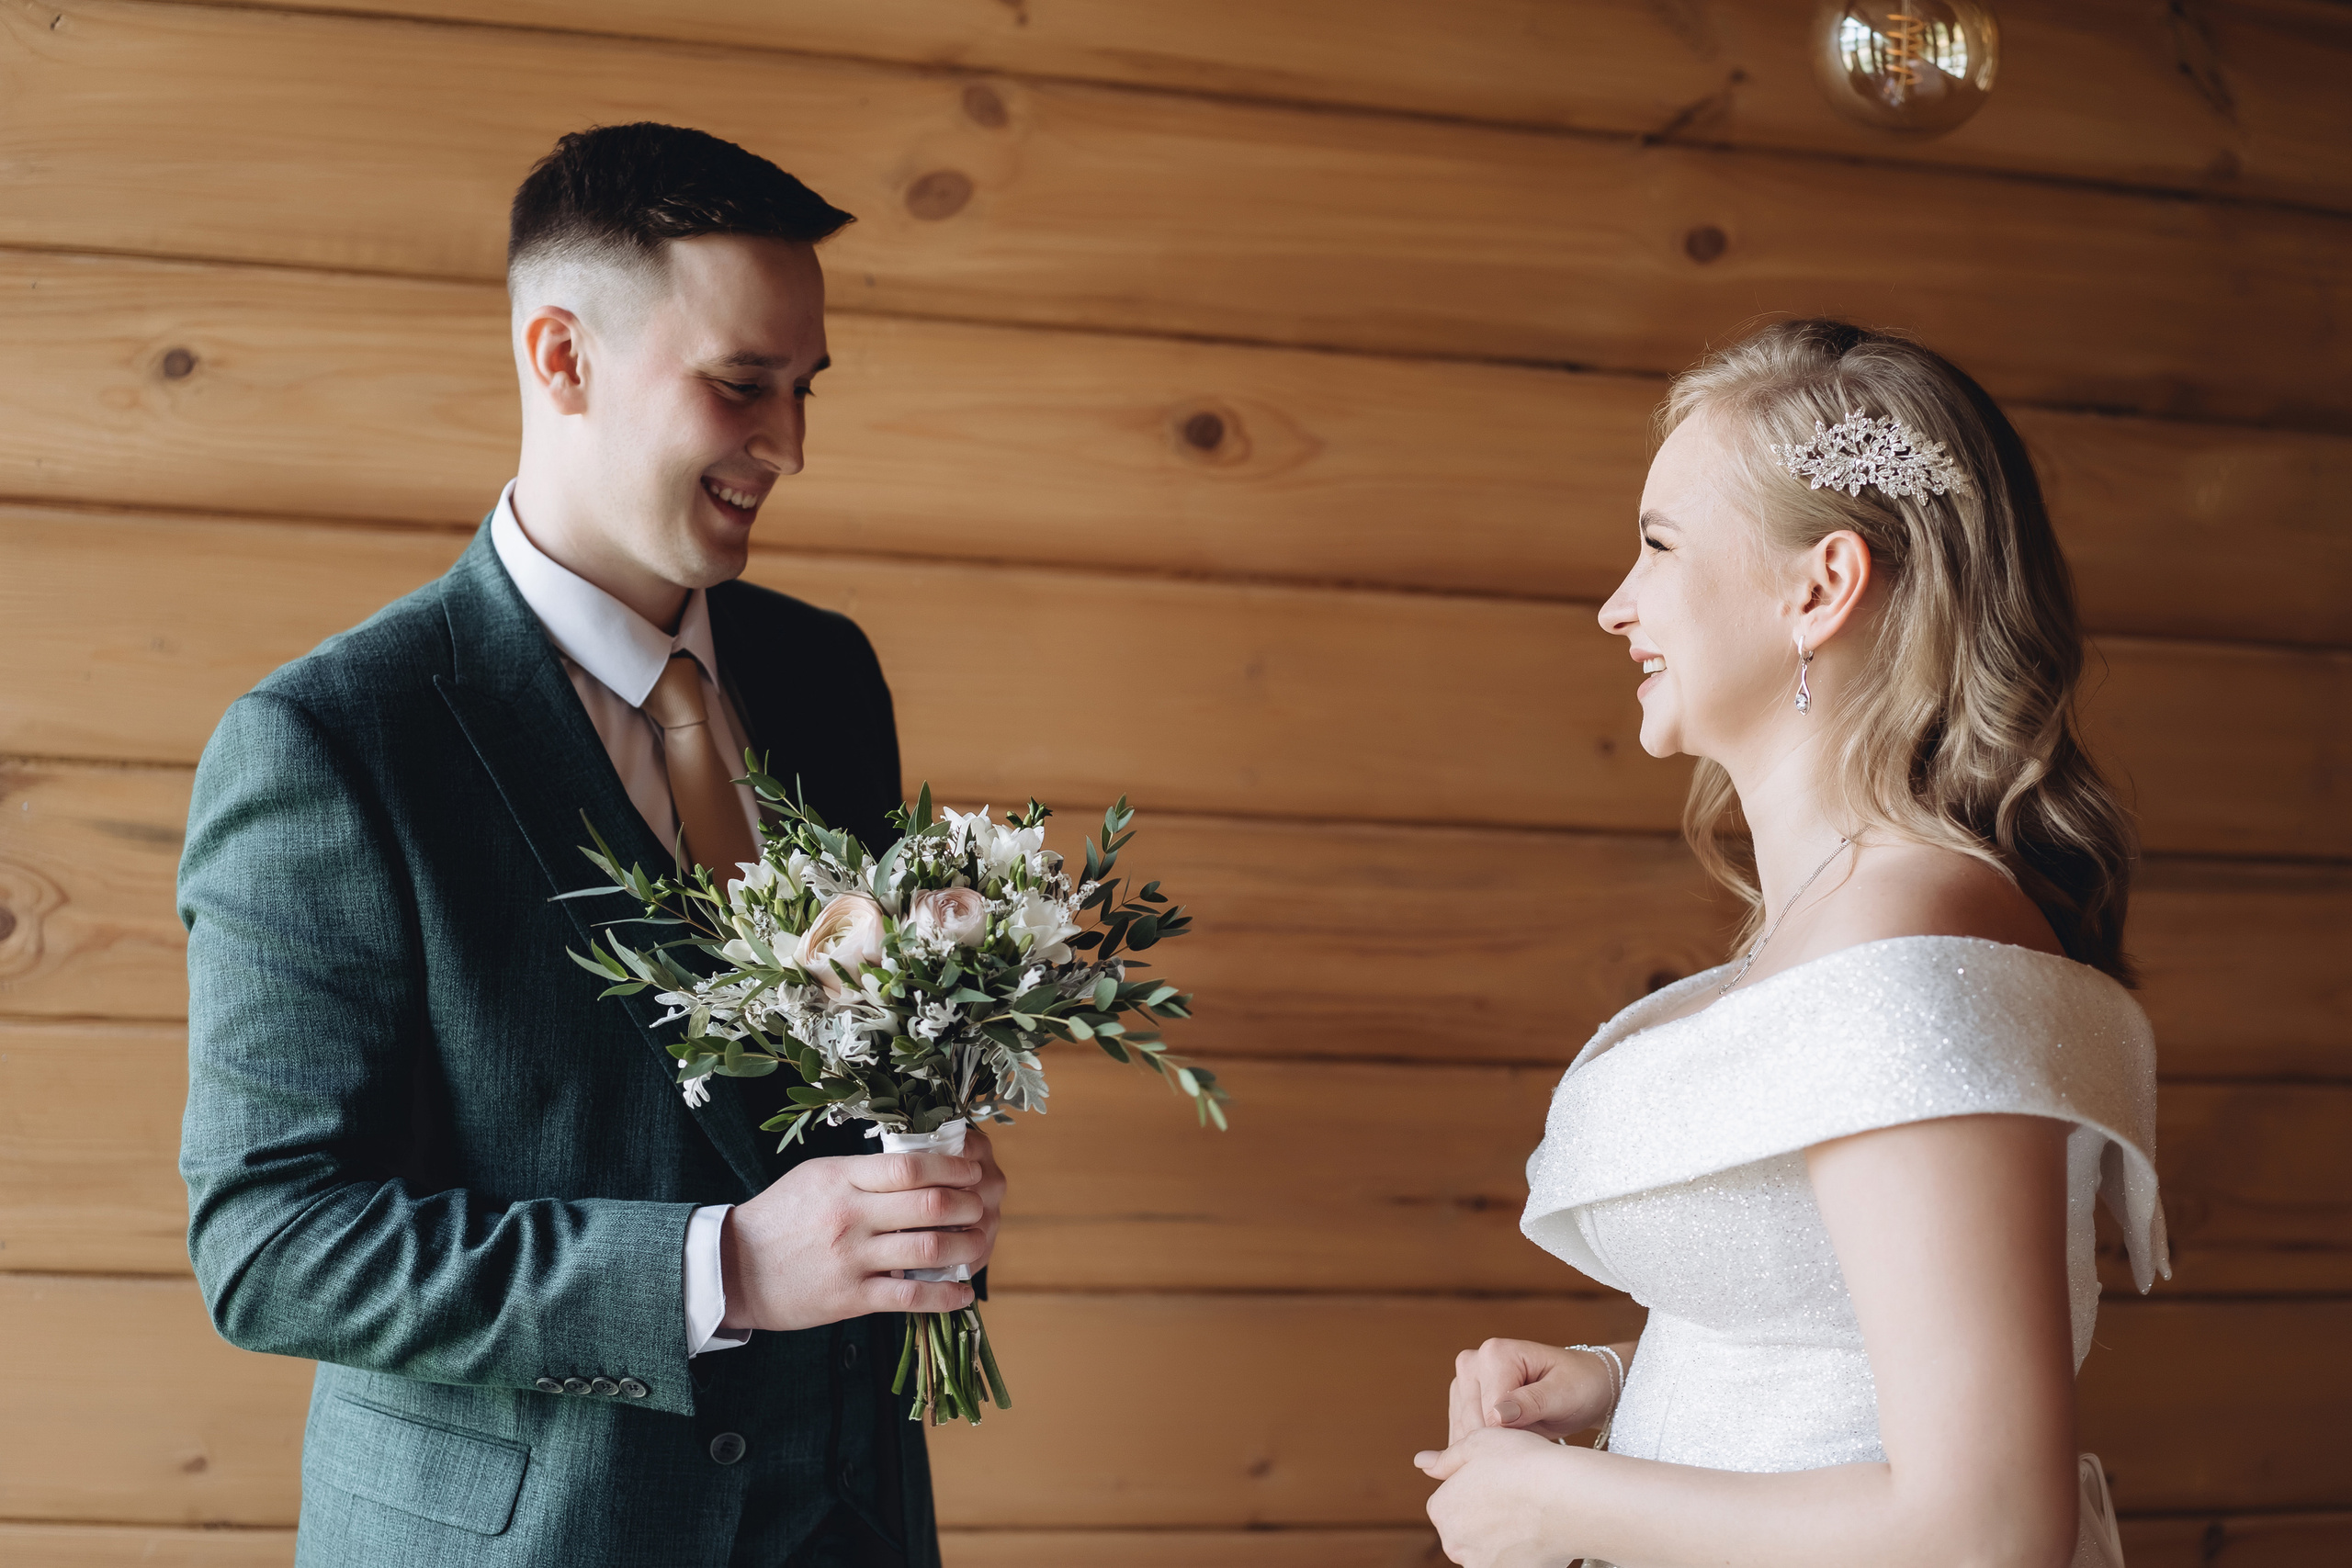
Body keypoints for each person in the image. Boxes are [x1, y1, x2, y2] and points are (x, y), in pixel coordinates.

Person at [177, 123, 1001, 1568]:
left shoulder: (826, 677)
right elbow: (272, 1245)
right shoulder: (332, 742)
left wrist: (919, 1178)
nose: (792, 447)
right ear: (561, 357)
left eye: (804, 391)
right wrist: (723, 1269)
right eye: (743, 386)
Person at [1414, 320, 2166, 1568]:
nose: (1617, 606)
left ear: (1818, 587)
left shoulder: (1901, 940)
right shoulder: (1844, 915)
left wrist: (1560, 1507)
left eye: (1657, 547)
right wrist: (1622, 1380)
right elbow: (1862, 1332)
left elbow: (1989, 1530)